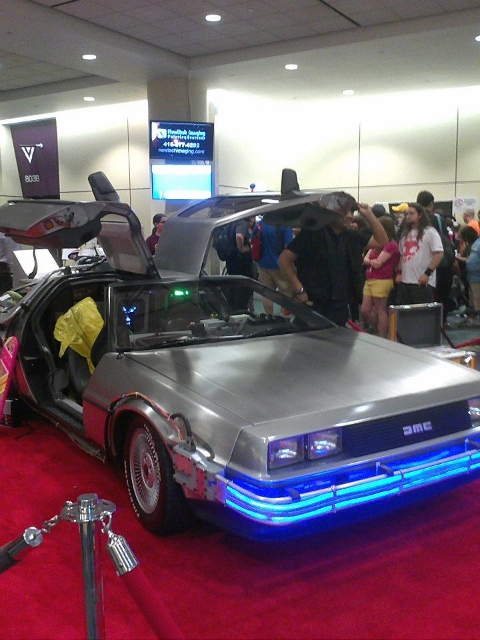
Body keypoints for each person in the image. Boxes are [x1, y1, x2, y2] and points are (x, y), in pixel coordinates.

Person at [278, 202, 388, 326]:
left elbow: (382, 241)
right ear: (331, 214)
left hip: (339, 307)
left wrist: (369, 214)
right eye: (345, 212)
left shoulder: (349, 235)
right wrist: (299, 289)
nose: (350, 216)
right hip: (313, 305)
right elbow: (284, 260)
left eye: (352, 212)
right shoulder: (312, 234)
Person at [395, 203, 444, 305]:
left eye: (412, 213)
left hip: (421, 281)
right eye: (407, 214)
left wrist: (427, 274)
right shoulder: (405, 234)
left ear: (420, 215)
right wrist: (399, 273)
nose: (408, 216)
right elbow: (402, 255)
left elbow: (438, 254)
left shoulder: (430, 232)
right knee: (406, 316)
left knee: (421, 315)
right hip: (405, 281)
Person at [360, 216, 399, 338]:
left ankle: (382, 335)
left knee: (380, 310)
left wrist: (370, 261)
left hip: (382, 280)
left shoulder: (391, 245)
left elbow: (378, 263)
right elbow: (366, 259)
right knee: (365, 310)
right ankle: (377, 331)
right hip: (370, 279)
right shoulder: (375, 242)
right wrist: (371, 261)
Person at [252, 220, 294, 315]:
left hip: (262, 264)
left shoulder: (260, 224)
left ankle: (269, 317)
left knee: (267, 294)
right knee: (286, 294)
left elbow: (253, 242)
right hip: (280, 265)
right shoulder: (285, 224)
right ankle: (283, 318)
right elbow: (289, 246)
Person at [225, 216, 255, 312]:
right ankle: (240, 311)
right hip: (241, 262)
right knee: (242, 286)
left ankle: (232, 310)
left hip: (231, 259)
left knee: (233, 285)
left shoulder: (231, 222)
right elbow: (239, 236)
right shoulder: (241, 223)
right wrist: (241, 249)